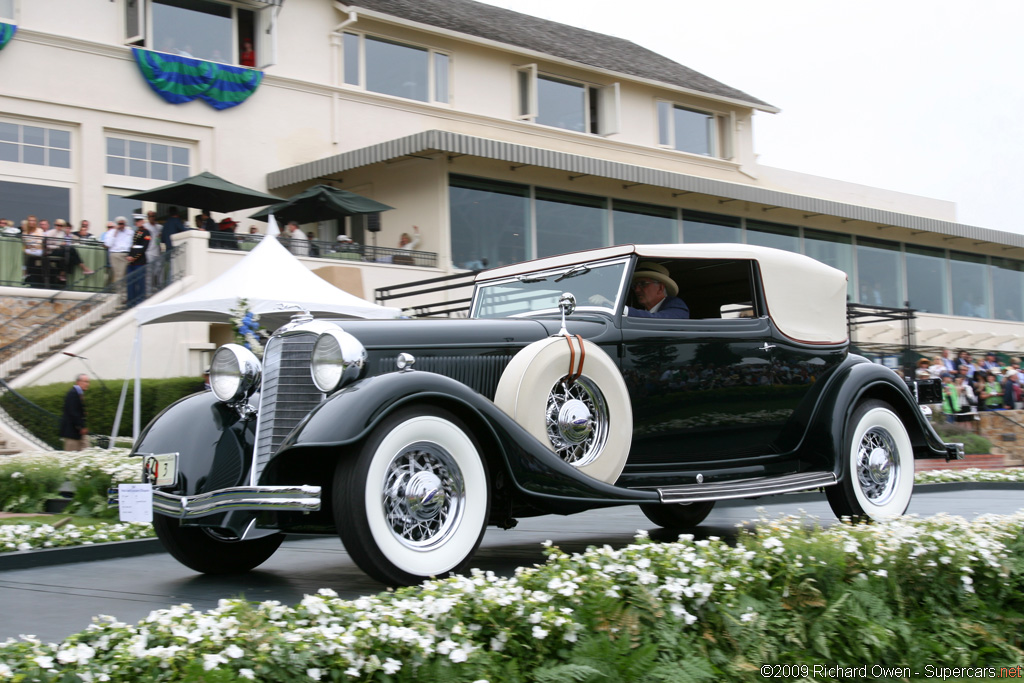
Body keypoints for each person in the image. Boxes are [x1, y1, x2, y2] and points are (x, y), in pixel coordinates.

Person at [626, 262, 690, 319]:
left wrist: (626, 311)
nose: (637, 290)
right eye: (635, 286)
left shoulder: (676, 305)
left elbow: (661, 320)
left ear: (660, 288)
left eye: (643, 284)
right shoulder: (642, 310)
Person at [59, 374, 89, 451]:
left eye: (88, 382)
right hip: (72, 433)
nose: (87, 384)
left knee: (87, 452)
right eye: (85, 382)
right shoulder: (73, 394)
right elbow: (73, 412)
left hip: (78, 433)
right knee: (71, 456)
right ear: (78, 382)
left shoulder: (77, 393)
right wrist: (81, 427)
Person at [126, 216, 151, 305]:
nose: (137, 222)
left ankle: (139, 300)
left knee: (140, 282)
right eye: (136, 221)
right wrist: (129, 256)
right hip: (132, 261)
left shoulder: (146, 232)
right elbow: (134, 246)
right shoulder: (136, 232)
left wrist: (134, 257)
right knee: (131, 282)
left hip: (140, 261)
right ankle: (131, 300)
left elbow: (144, 247)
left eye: (139, 221)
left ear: (143, 221)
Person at [103, 216, 133, 283]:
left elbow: (131, 243)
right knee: (119, 275)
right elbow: (108, 244)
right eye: (119, 224)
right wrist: (115, 232)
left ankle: (126, 292)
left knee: (127, 275)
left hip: (127, 254)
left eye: (123, 224)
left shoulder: (130, 232)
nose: (121, 225)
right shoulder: (111, 232)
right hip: (116, 254)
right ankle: (120, 292)